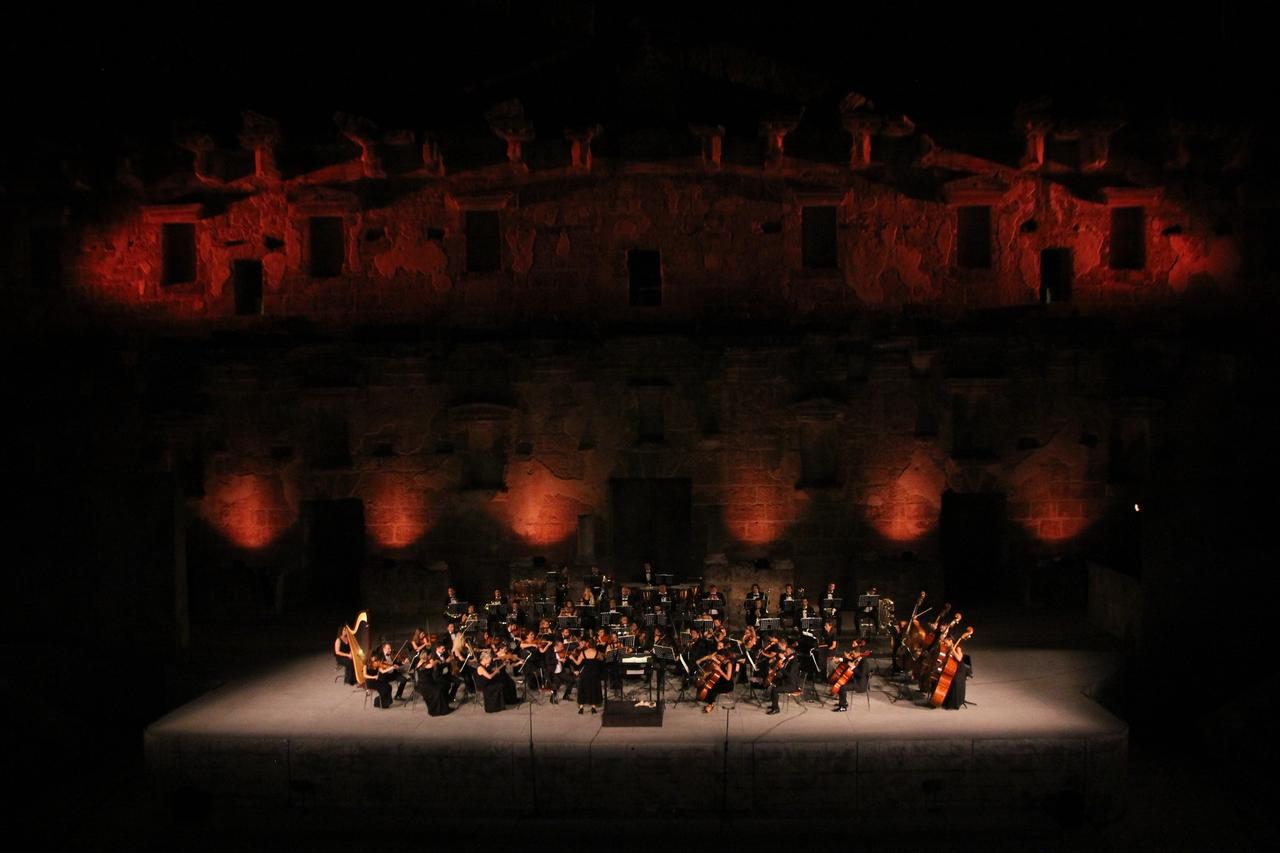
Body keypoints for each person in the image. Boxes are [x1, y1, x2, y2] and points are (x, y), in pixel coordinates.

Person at [571, 641, 604, 714]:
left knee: (583, 689)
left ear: (588, 645)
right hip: (594, 673)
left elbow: (577, 663)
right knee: (593, 689)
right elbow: (601, 659)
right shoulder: (597, 652)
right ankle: (593, 708)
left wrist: (572, 658)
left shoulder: (583, 653)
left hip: (585, 673)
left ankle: (581, 708)